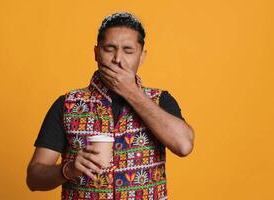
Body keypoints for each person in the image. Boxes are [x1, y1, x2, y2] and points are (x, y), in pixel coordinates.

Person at [26, 11, 195, 199]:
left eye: (128, 51)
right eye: (109, 49)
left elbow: (184, 145)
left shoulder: (160, 100)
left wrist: (132, 92)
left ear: (142, 57)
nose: (118, 59)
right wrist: (68, 169)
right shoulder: (66, 105)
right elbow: (34, 179)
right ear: (96, 53)